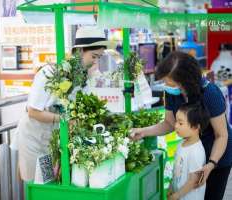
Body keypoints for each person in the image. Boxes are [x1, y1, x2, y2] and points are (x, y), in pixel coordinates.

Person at [130, 51, 232, 200]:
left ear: (186, 80)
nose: (167, 86)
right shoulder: (172, 93)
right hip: (192, 153)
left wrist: (211, 164)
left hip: (217, 157)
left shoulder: (210, 93)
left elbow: (221, 135)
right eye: (165, 82)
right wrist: (143, 132)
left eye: (171, 83)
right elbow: (169, 124)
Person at [17, 26, 113, 181]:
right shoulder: (49, 73)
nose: (95, 62)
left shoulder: (81, 77)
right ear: (80, 51)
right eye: (94, 57)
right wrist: (65, 119)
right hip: (34, 136)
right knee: (36, 182)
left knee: (50, 180)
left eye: (99, 58)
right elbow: (33, 112)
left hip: (53, 136)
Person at [168, 103, 209, 200]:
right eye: (176, 121)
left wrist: (177, 195)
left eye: (180, 123)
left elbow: (193, 180)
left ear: (195, 127)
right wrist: (171, 188)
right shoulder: (181, 144)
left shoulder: (196, 151)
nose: (176, 126)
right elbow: (176, 170)